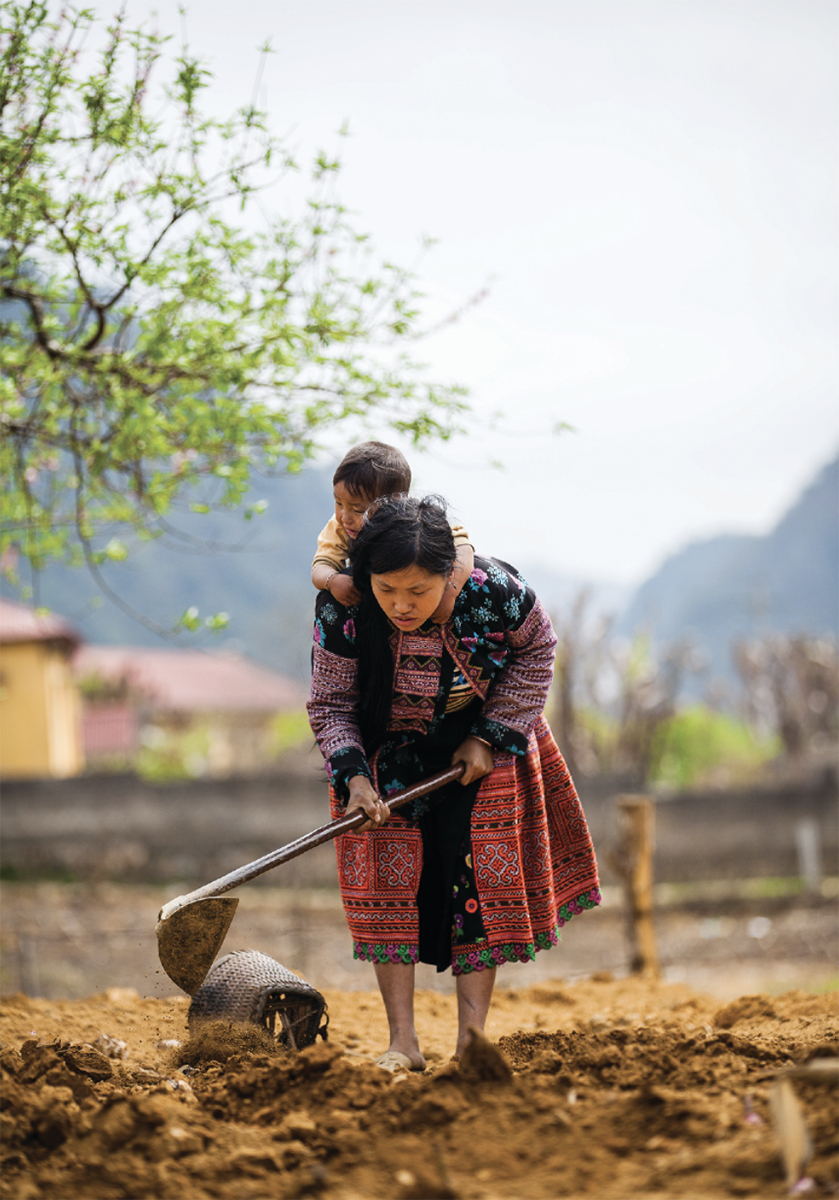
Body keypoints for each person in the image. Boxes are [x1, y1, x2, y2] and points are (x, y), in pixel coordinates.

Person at [307, 495, 600, 1070]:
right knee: (390, 892)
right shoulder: (341, 607)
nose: (400, 605)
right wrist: (355, 780)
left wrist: (489, 737)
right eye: (387, 590)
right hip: (384, 759)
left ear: (452, 574)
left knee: (475, 891)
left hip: (481, 756)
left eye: (417, 592)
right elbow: (332, 701)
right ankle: (402, 1044)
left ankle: (471, 1043)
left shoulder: (497, 593)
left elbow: (538, 651)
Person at [311, 440, 474, 623]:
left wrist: (451, 591)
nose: (344, 517)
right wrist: (332, 580)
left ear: (394, 505)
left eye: (357, 510)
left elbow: (463, 549)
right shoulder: (340, 527)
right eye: (339, 503)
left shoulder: (418, 522)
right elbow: (320, 566)